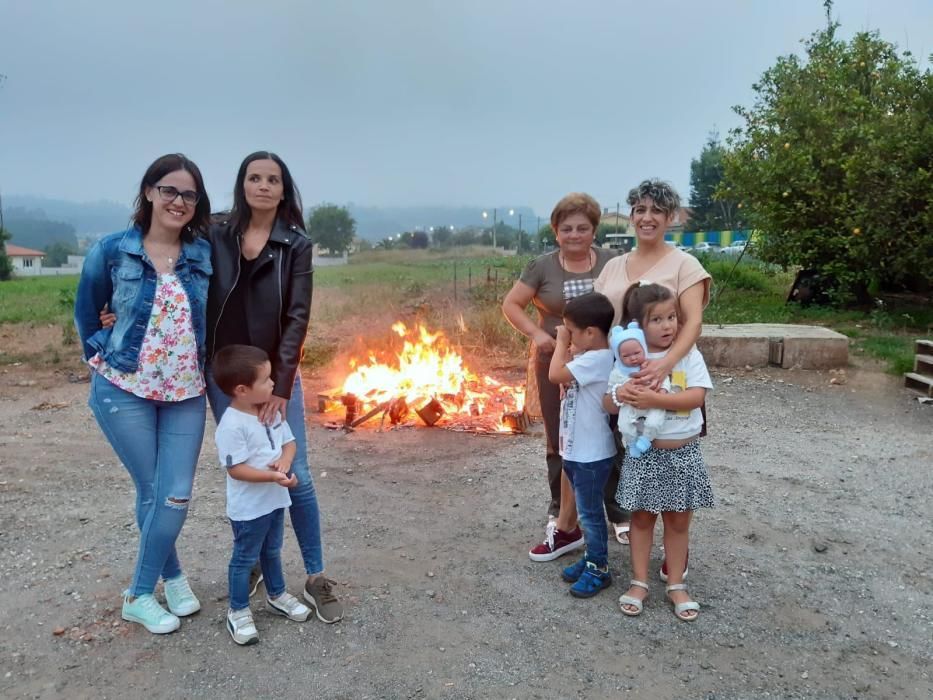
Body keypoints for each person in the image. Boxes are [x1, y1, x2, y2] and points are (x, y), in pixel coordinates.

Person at [74, 153, 212, 634]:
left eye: (189, 194)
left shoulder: (203, 255)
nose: (178, 201)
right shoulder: (112, 250)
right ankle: (143, 591)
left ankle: (166, 576)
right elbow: (88, 313)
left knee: (173, 495)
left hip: (187, 392)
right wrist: (103, 351)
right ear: (150, 191)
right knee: (153, 489)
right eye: (169, 190)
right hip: (124, 389)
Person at [206, 151, 343, 623]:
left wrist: (282, 384)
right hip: (225, 375)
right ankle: (256, 563)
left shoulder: (296, 244)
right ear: (242, 184)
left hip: (273, 375)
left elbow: (297, 317)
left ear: (284, 190)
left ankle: (315, 575)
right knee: (243, 466)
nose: (263, 185)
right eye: (254, 177)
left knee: (294, 468)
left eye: (273, 179)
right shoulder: (215, 232)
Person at [502, 193, 628, 562]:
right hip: (557, 365)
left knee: (612, 431)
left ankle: (616, 509)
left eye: (582, 228)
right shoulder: (542, 267)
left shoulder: (611, 262)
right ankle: (561, 513)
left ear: (594, 230)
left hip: (606, 363)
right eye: (566, 228)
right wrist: (539, 335)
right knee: (561, 436)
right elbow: (511, 305)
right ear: (556, 232)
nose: (575, 235)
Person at [606, 283, 714, 621]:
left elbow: (696, 397)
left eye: (672, 317)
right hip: (644, 456)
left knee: (679, 522)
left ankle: (676, 583)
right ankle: (639, 581)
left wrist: (657, 400)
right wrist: (622, 391)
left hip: (683, 453)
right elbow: (608, 402)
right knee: (641, 519)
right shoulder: (628, 360)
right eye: (657, 319)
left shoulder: (687, 355)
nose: (668, 326)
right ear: (638, 325)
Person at [212, 344, 313, 645]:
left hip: (274, 502)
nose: (274, 383)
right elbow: (236, 470)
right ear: (242, 389)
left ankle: (277, 594)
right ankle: (238, 611)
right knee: (244, 558)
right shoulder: (231, 425)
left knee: (272, 551)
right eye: (267, 380)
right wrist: (272, 476)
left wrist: (284, 462)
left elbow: (289, 443)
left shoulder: (270, 413)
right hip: (248, 509)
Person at [548, 293, 617, 598]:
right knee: (587, 511)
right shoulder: (589, 357)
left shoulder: (596, 359)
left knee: (589, 514)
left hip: (591, 453)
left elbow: (553, 374)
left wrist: (562, 343)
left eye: (572, 331)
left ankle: (599, 568)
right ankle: (591, 556)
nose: (569, 337)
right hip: (579, 451)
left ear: (590, 333)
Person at [607, 321, 671, 458]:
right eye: (626, 356)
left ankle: (646, 439)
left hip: (653, 402)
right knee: (623, 425)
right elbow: (611, 389)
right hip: (629, 406)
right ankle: (631, 443)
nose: (633, 358)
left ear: (644, 349)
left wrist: (663, 392)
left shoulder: (651, 366)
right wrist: (619, 391)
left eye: (637, 352)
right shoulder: (617, 372)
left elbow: (664, 379)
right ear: (618, 357)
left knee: (655, 421)